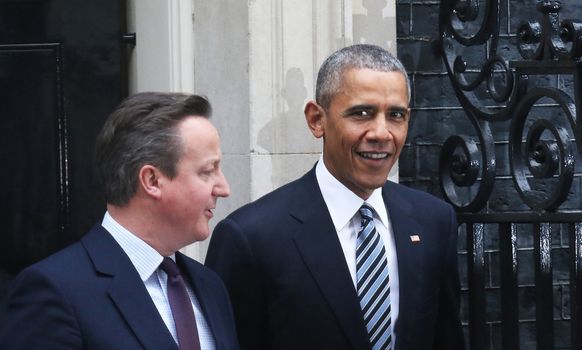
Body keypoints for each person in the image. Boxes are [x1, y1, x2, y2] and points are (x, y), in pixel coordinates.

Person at [205, 44, 465, 350]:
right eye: (362, 113)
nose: (382, 133)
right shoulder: (249, 237)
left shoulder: (434, 222)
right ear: (317, 119)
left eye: (395, 115)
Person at [0, 92, 239, 349]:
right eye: (207, 171)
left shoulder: (210, 286)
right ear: (152, 181)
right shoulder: (54, 291)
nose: (224, 188)